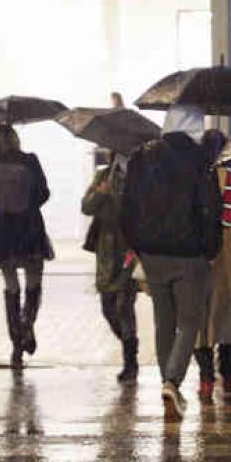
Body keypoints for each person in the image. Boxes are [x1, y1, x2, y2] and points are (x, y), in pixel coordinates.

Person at [121, 104, 222, 421]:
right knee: (190, 321)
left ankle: (170, 383)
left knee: (163, 319)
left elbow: (127, 206)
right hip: (189, 252)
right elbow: (209, 207)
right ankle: (172, 381)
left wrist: (136, 244)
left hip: (152, 252)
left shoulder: (142, 157)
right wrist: (211, 247)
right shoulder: (198, 159)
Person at [0, 125, 53, 370]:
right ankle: (27, 326)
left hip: (3, 233)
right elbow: (44, 193)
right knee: (34, 282)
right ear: (15, 139)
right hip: (30, 229)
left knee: (11, 286)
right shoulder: (30, 161)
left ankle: (16, 347)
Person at [194, 131, 231, 406]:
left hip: (203, 256)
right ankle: (230, 375)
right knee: (229, 317)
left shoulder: (197, 175)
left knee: (203, 319)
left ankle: (206, 378)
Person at [82, 150, 139, 383]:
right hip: (106, 250)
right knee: (108, 308)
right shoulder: (103, 176)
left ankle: (130, 362)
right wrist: (101, 193)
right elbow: (86, 206)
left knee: (124, 306)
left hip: (130, 248)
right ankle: (130, 344)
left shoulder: (139, 176)